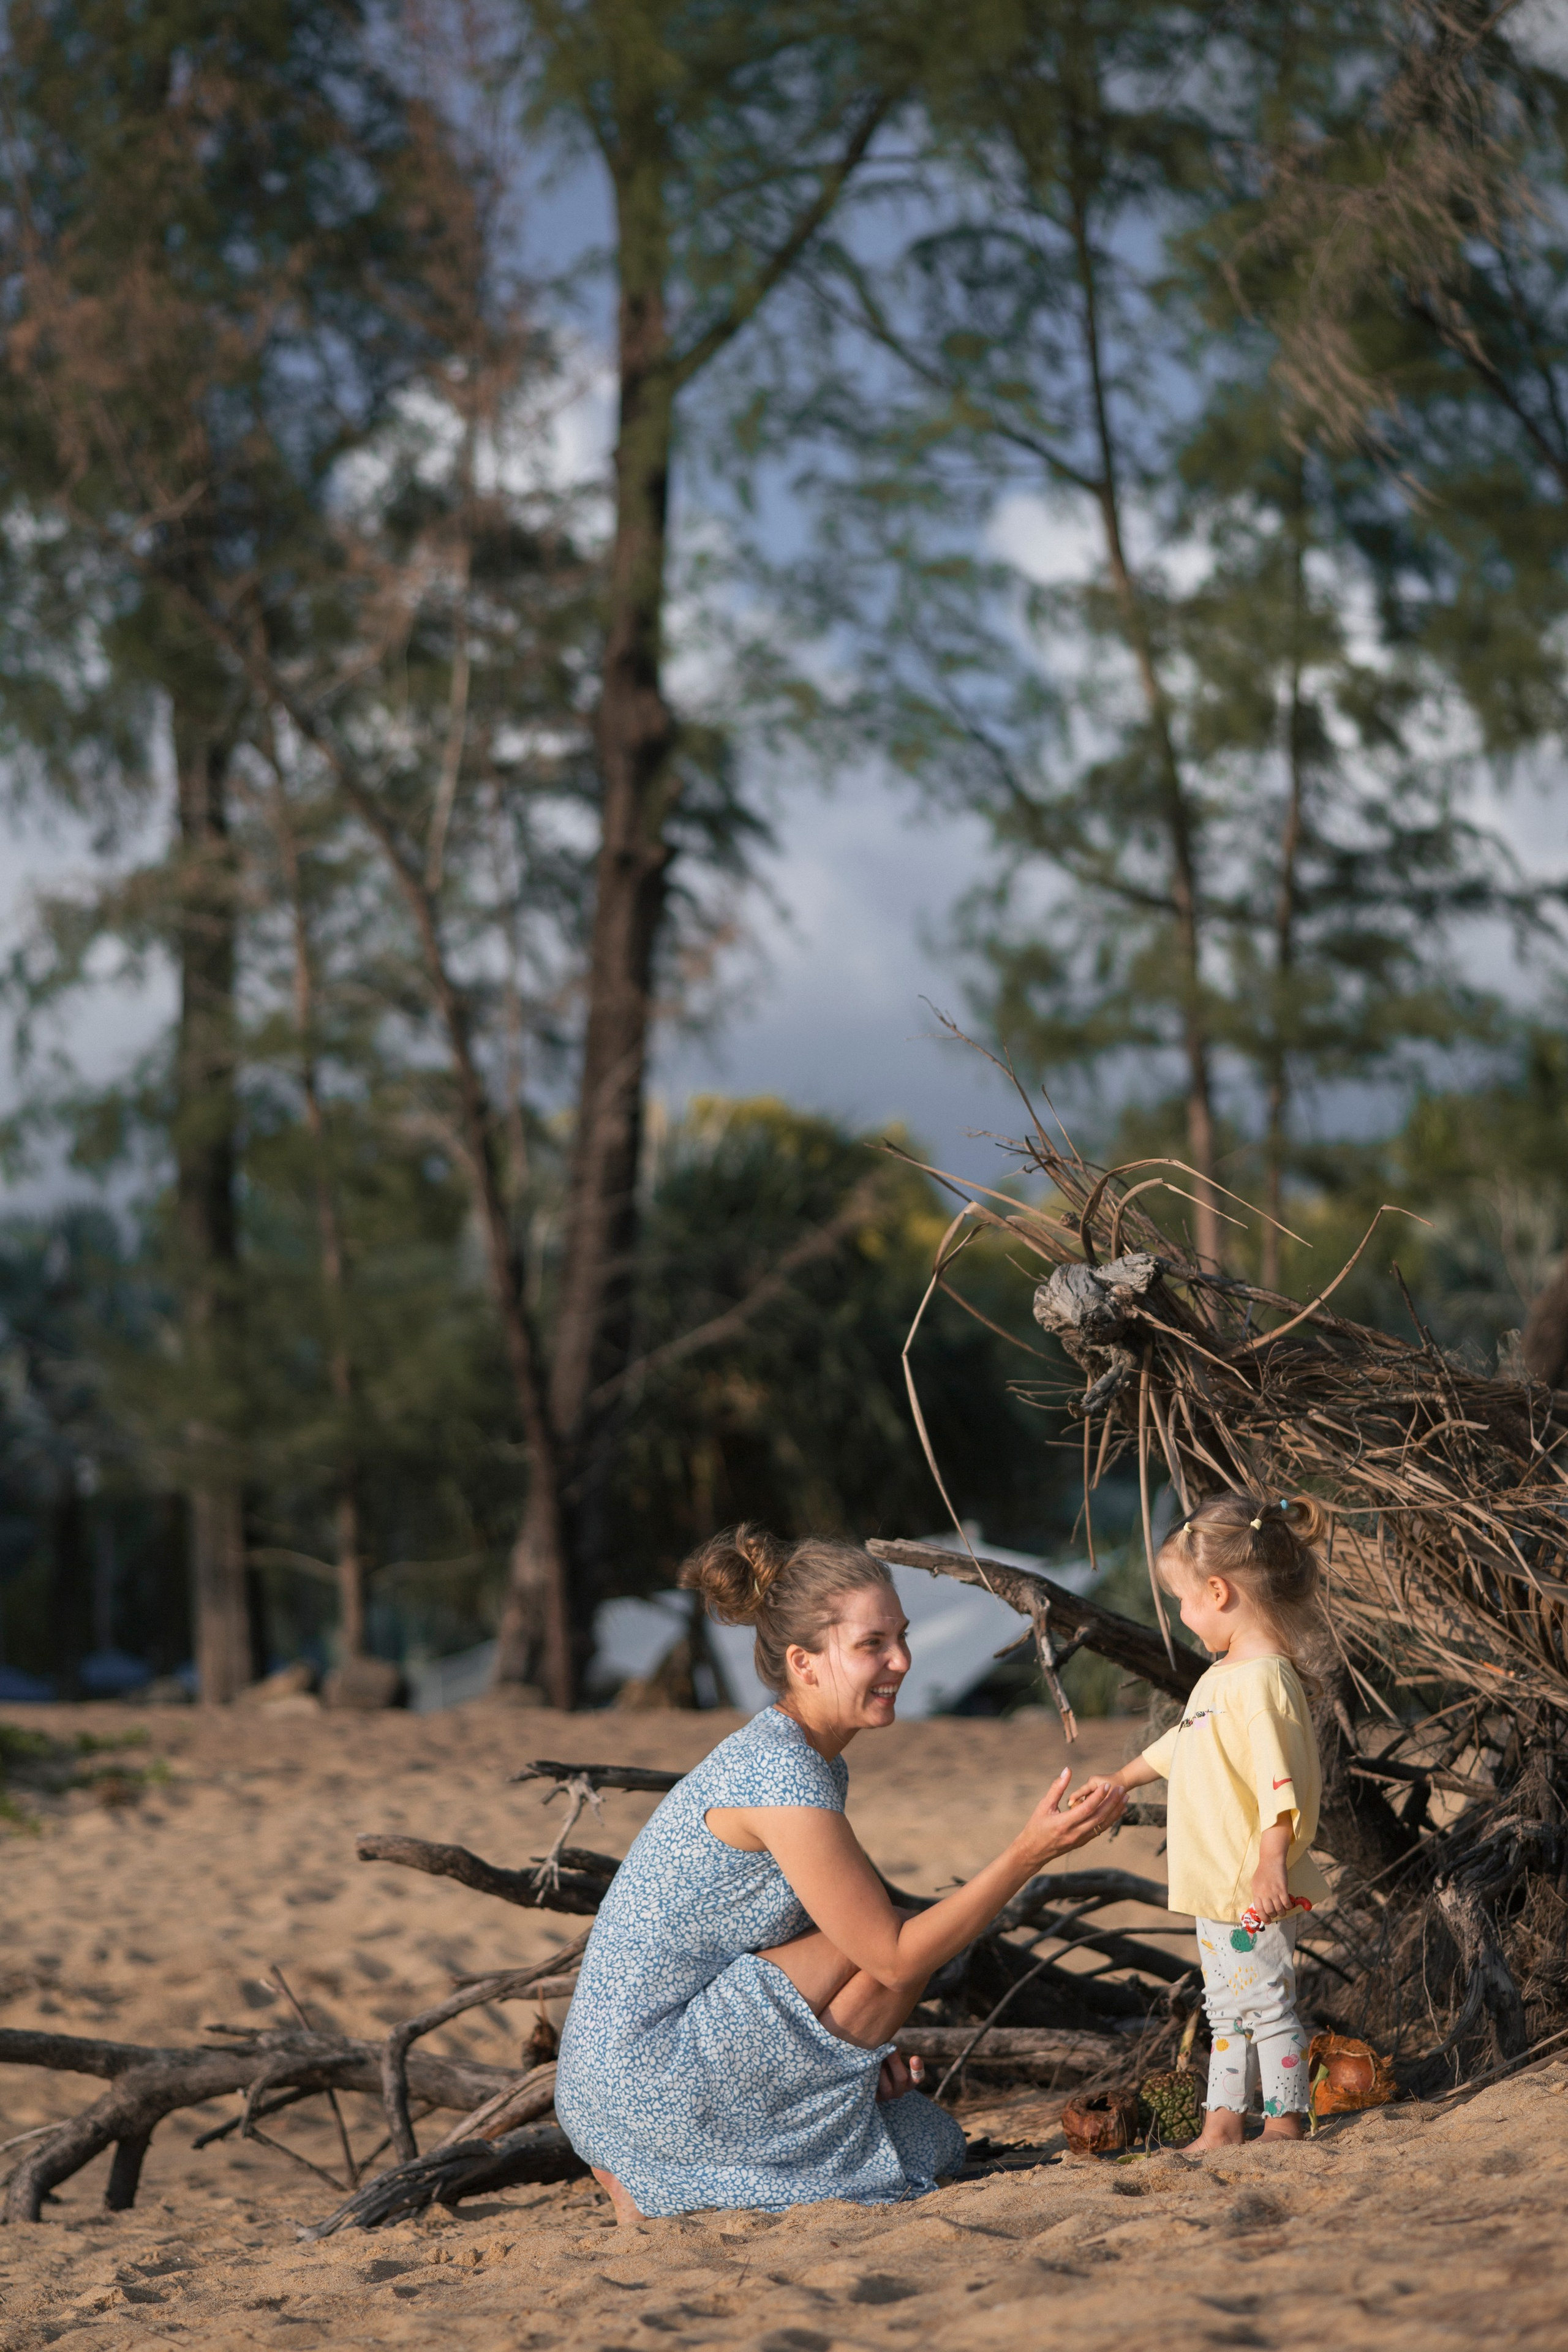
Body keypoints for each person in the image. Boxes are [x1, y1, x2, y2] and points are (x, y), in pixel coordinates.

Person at [554, 1527, 1126, 2220]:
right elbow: (887, 1955)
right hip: (647, 2077)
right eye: (872, 1646)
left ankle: (679, 2173)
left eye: (901, 1638)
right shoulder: (782, 1773)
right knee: (902, 1944)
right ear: (805, 1662)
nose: (902, 1661)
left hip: (630, 2073)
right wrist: (1027, 1855)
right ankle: (670, 2177)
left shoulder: (807, 1757)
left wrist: (852, 2060)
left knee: (929, 2140)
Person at [1103, 1493, 1330, 2149]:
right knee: (1227, 2007)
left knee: (1263, 2003)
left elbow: (1277, 1776)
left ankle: (1284, 2121)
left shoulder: (1262, 1681)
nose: (1180, 1614)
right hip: (1218, 1883)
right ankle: (1223, 2123)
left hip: (1249, 1885)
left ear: (1218, 1590)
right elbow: (1188, 1742)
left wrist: (1270, 1861)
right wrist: (1120, 1781)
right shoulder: (1222, 1677)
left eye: (1182, 1600)